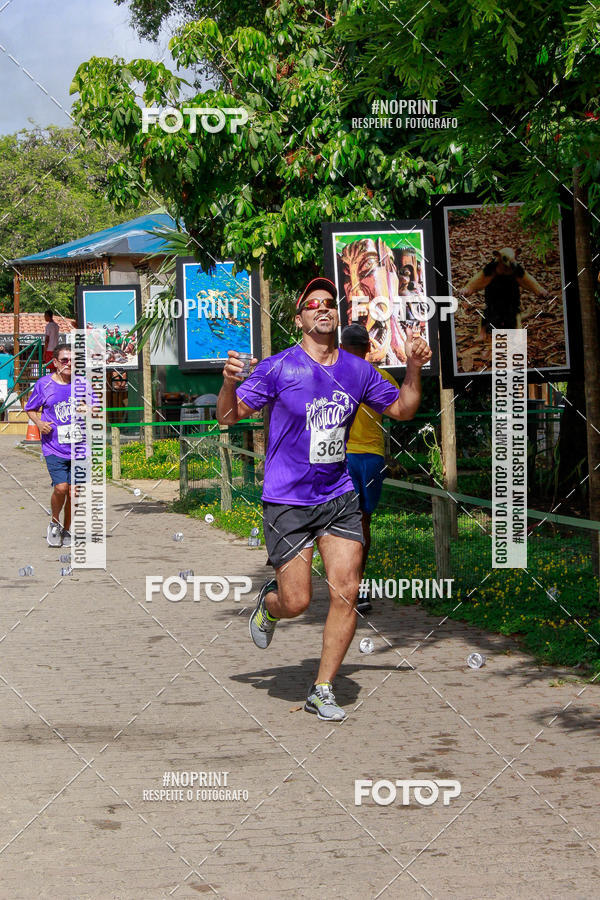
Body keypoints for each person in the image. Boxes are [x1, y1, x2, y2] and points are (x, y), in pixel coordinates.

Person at [217, 276, 432, 722]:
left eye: (330, 303)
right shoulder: (279, 367)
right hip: (288, 499)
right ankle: (270, 607)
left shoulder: (357, 370)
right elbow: (228, 417)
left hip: (337, 495)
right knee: (297, 601)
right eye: (312, 303)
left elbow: (404, 409)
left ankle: (322, 688)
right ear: (298, 318)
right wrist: (227, 383)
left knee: (347, 590)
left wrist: (412, 366)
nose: (323, 308)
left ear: (337, 314)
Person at [340, 324, 400, 615]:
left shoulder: (333, 374)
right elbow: (404, 408)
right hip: (373, 460)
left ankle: (349, 586)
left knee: (341, 525)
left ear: (341, 347)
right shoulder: (383, 376)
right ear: (367, 348)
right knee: (364, 524)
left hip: (343, 458)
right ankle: (358, 588)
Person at [25, 342, 96, 548]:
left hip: (80, 447)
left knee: (74, 492)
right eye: (65, 360)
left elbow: (96, 408)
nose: (69, 363)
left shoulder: (83, 383)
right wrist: (39, 423)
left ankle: (67, 530)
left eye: (73, 360)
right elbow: (31, 408)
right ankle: (54, 522)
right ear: (55, 362)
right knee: (61, 488)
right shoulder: (44, 384)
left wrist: (89, 409)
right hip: (54, 446)